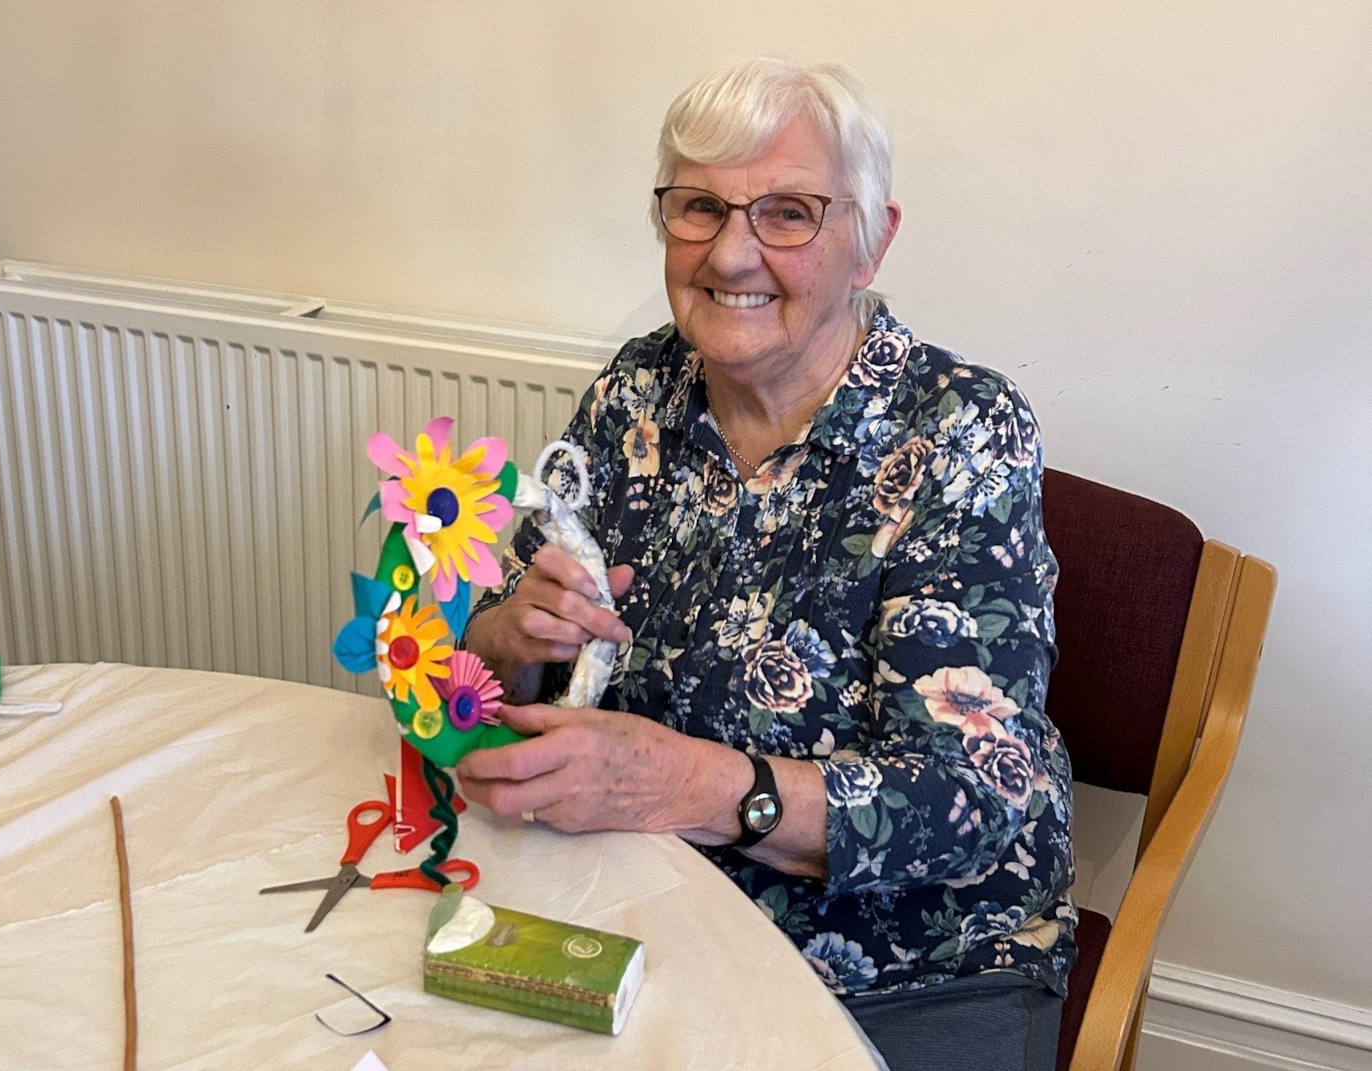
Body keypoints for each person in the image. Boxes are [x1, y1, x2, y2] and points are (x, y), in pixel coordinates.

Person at [458, 56, 1075, 1071]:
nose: (731, 254)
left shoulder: (962, 429)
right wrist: (512, 635)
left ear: (871, 241)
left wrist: (686, 782)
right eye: (700, 206)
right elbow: (496, 663)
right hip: (647, 894)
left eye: (787, 212)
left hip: (912, 962)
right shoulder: (638, 392)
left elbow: (971, 799)